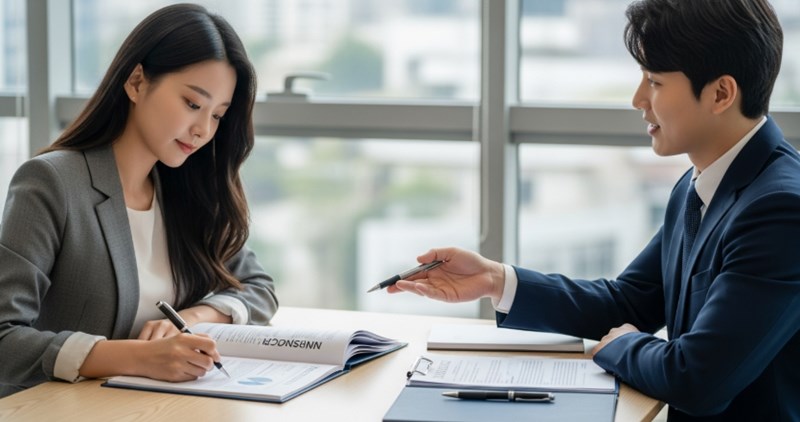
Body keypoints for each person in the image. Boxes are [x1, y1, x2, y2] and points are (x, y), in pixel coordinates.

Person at [389, 0, 800, 420]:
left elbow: (696, 379)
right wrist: (496, 279)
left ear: (720, 93)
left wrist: (622, 345)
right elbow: (630, 303)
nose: (638, 99)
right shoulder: (700, 184)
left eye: (655, 82)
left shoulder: (782, 210)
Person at [0, 4, 278, 397]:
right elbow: (3, 337)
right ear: (136, 82)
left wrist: (195, 317)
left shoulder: (189, 190)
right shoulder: (52, 182)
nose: (202, 130)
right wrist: (139, 357)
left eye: (217, 115)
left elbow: (258, 288)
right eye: (193, 104)